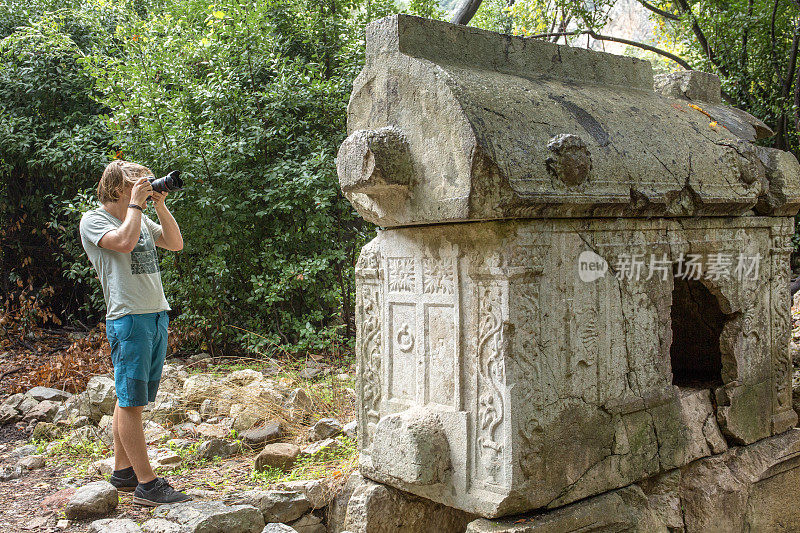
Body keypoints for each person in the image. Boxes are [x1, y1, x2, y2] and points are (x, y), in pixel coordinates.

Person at [79, 160, 191, 507]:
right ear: (116, 189)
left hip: (155, 313)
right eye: (136, 183)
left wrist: (160, 203)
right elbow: (125, 243)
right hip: (128, 318)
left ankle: (123, 472)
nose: (144, 186)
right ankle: (147, 485)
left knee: (129, 399)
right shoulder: (94, 220)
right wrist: (137, 206)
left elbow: (175, 243)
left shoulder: (139, 216)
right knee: (131, 403)